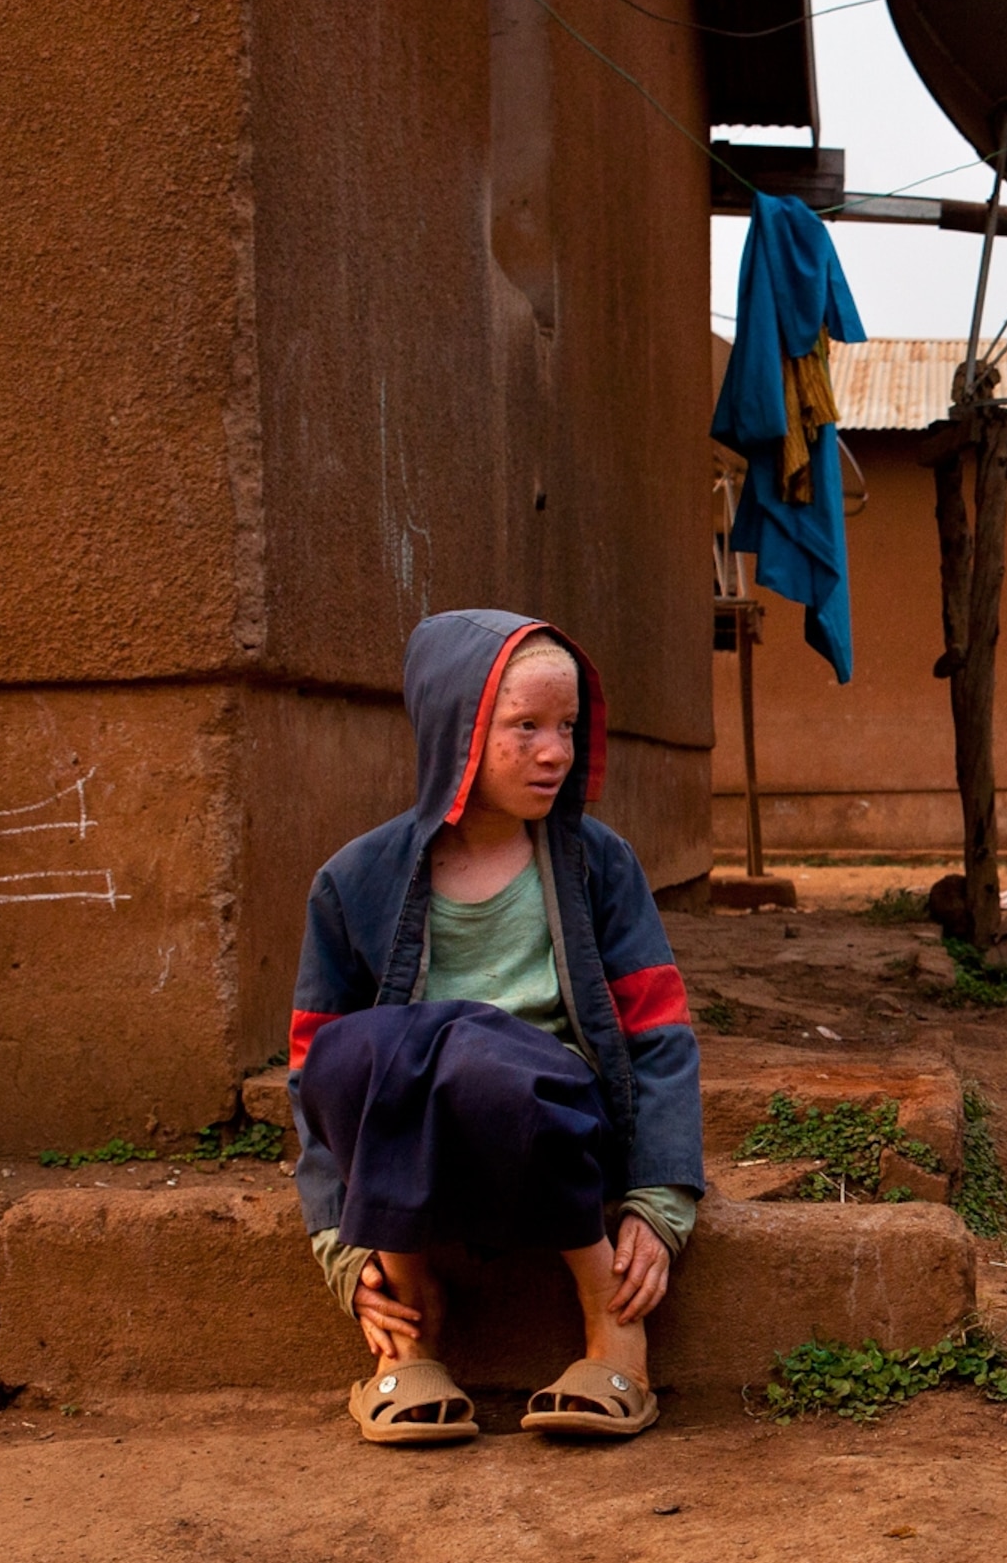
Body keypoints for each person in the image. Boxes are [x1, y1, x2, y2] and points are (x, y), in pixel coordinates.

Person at [287, 611, 704, 1445]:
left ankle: (610, 1321)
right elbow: (313, 1075)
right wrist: (340, 1239)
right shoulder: (353, 881)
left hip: (554, 1129)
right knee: (359, 1052)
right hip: (421, 1144)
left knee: (479, 1059)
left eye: (568, 727)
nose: (556, 752)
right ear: (459, 730)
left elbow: (658, 1032)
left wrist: (658, 1202)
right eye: (527, 727)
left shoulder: (600, 864)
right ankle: (411, 1334)